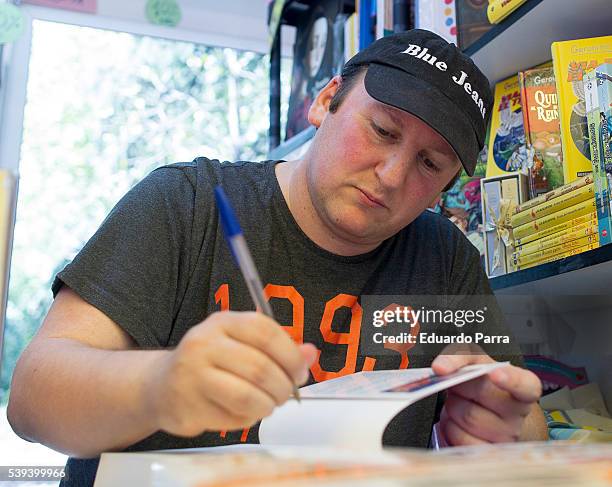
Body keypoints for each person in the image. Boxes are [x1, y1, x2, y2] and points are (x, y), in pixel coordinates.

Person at [7, 30, 547, 486]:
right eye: (382, 131)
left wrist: (500, 426)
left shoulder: (444, 262)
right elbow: (33, 401)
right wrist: (161, 384)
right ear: (326, 100)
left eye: (429, 164)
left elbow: (526, 430)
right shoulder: (186, 204)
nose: (392, 175)